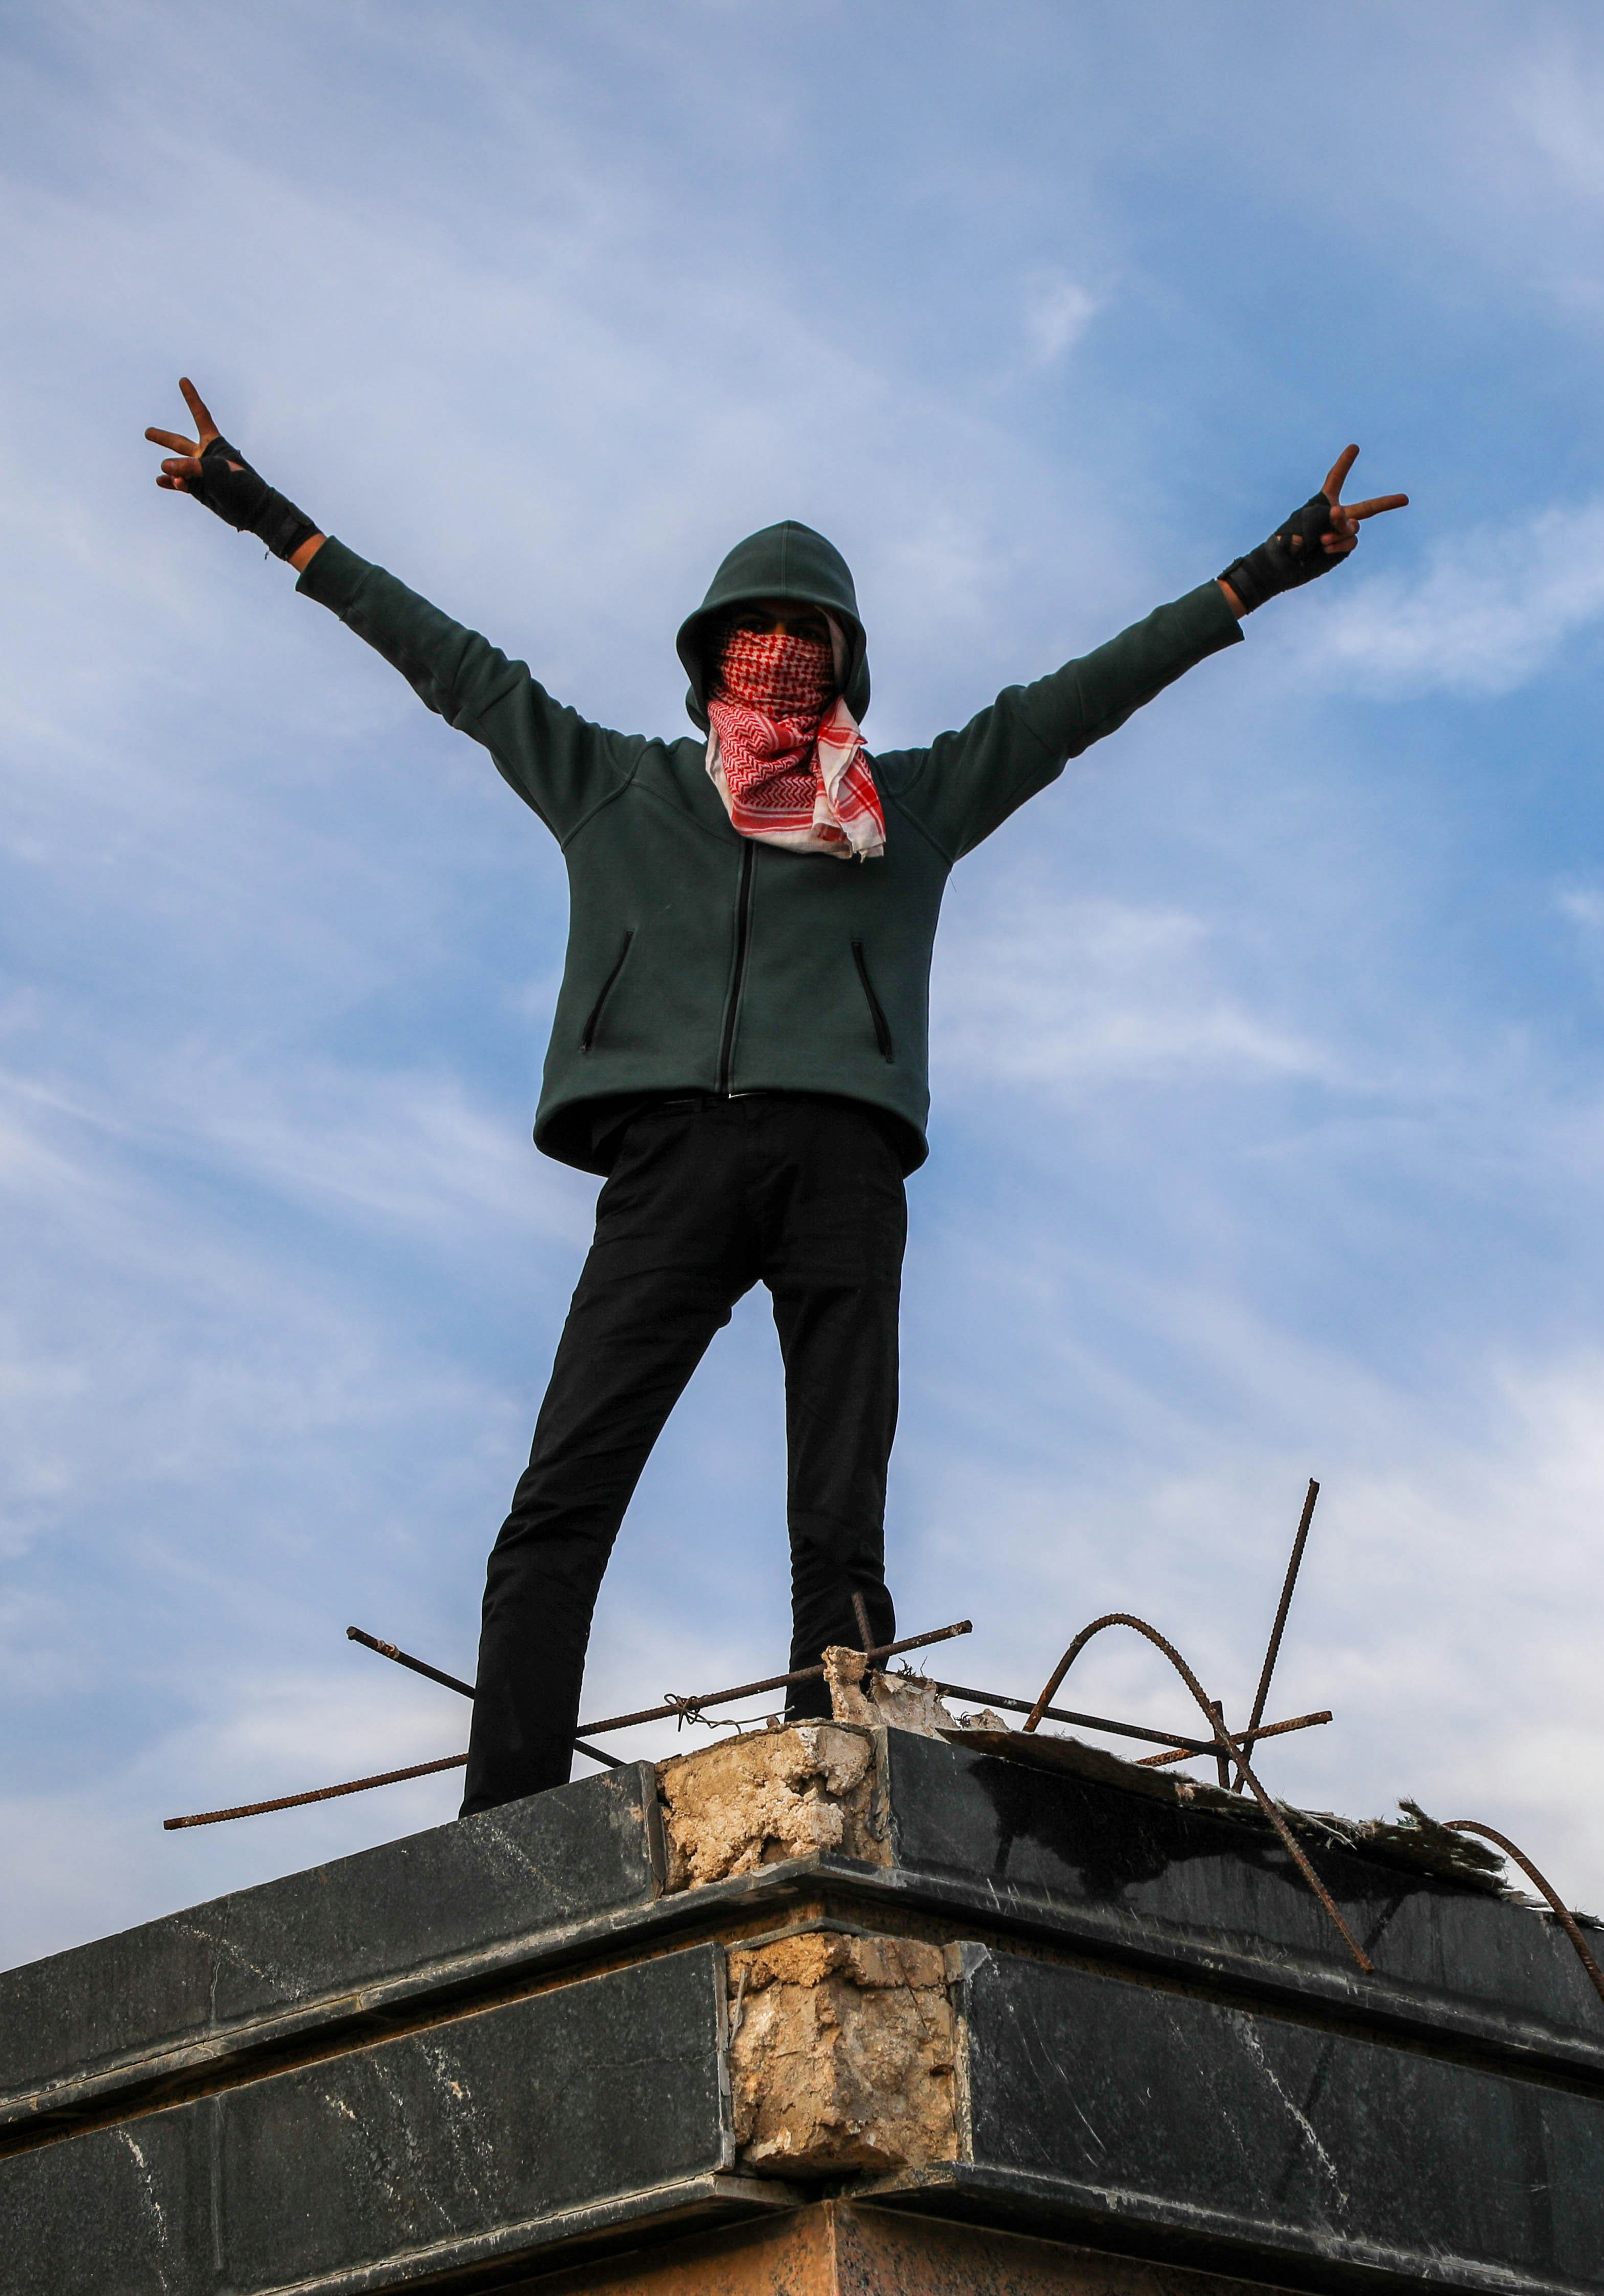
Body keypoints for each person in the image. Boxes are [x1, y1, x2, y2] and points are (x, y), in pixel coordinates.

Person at [143, 381, 1407, 1813]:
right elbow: (452, 664)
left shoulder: (909, 811)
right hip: (669, 1155)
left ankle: (843, 1786)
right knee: (559, 1505)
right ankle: (501, 1835)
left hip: (841, 1163)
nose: (781, 661)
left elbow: (1079, 702)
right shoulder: (618, 792)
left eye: (808, 641)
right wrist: (264, 512)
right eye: (758, 638)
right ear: (707, 665)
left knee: (841, 1524)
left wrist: (1265, 570)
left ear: (847, 665)